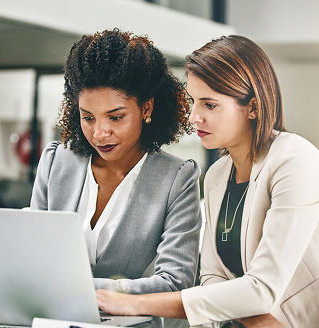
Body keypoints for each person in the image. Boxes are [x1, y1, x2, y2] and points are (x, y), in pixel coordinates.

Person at [96, 35, 319, 328]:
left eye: (209, 105)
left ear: (253, 107)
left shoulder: (294, 159)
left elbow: (262, 289)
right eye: (193, 101)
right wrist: (252, 317)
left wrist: (133, 302)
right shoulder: (216, 175)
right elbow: (213, 278)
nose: (194, 117)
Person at [30, 29, 202, 294]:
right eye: (88, 118)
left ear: (147, 108)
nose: (100, 133)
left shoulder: (176, 178)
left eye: (115, 117)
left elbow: (175, 281)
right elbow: (33, 259)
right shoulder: (55, 163)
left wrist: (80, 288)